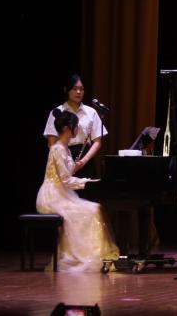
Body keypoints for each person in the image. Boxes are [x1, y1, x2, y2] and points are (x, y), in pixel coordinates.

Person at [36, 109, 119, 272]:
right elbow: (65, 180)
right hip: (52, 196)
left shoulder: (65, 149)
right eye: (76, 126)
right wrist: (87, 182)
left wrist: (80, 170)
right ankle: (80, 257)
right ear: (67, 128)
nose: (78, 129)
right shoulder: (58, 149)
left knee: (94, 209)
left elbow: (68, 174)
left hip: (61, 193)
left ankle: (95, 254)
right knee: (88, 212)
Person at [43, 74, 105, 172]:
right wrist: (63, 161)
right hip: (62, 157)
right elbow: (51, 142)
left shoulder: (91, 112)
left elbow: (97, 142)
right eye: (75, 89)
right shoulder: (57, 112)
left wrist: (83, 161)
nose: (78, 92)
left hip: (85, 159)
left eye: (81, 89)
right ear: (67, 90)